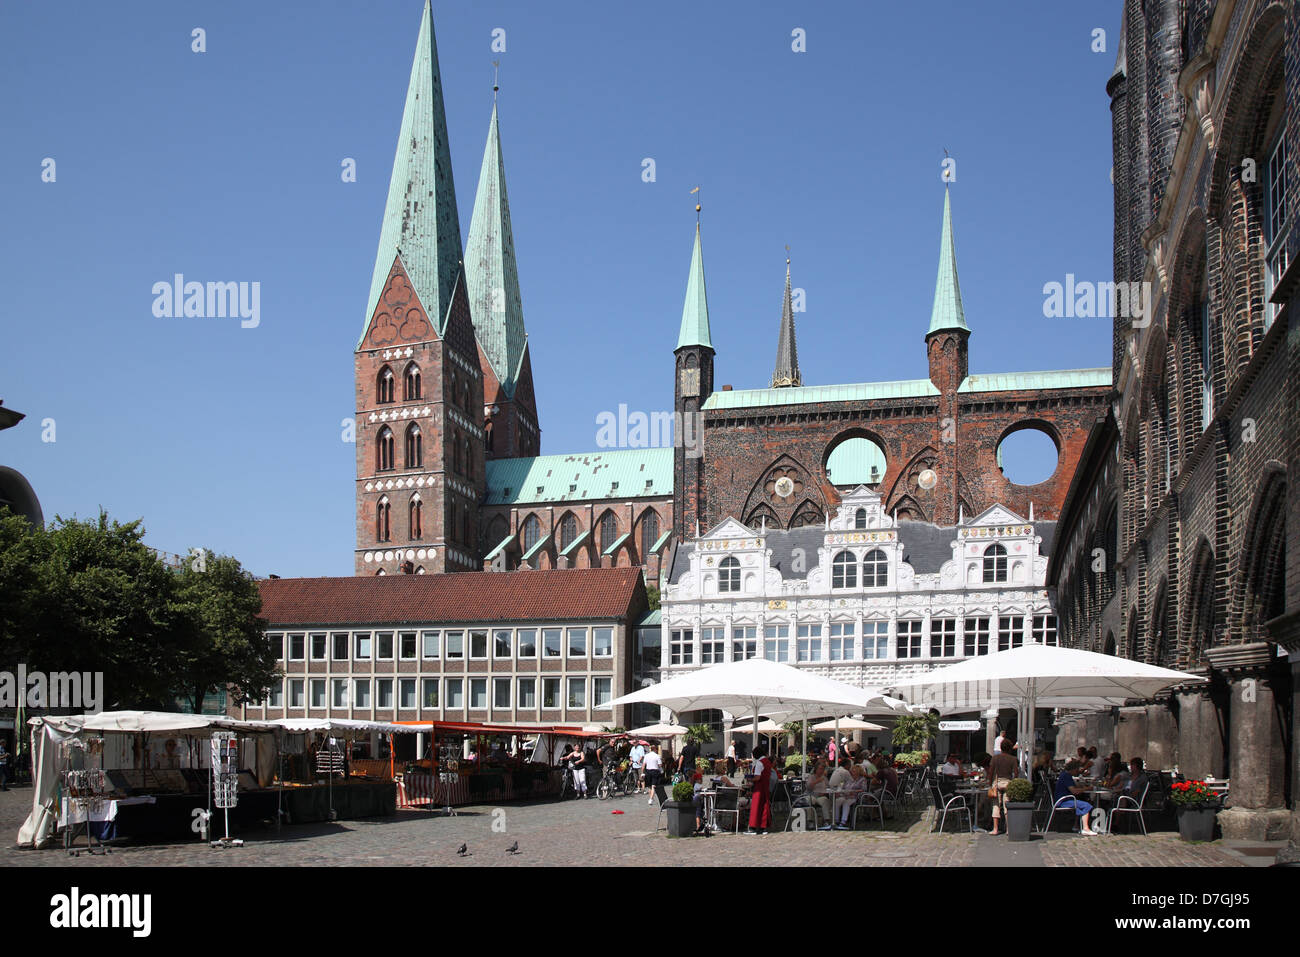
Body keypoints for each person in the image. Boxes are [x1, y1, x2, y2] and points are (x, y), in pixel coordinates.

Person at [1053, 760, 1098, 835]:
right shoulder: (1066, 776)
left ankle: (1076, 825)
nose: (1078, 772)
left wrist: (1082, 787)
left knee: (1080, 803)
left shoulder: (1065, 775)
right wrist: (1087, 788)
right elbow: (1074, 791)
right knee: (1086, 805)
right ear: (1073, 769)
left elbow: (1074, 786)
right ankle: (1086, 828)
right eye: (1077, 770)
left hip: (1062, 799)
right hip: (1063, 801)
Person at [987, 739, 1020, 835]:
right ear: (1010, 748)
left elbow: (991, 771)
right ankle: (1008, 829)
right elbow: (1016, 772)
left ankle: (995, 829)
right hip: (1008, 782)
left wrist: (990, 783)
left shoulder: (995, 758)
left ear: (1001, 748)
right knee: (1007, 806)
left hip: (997, 782)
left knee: (996, 805)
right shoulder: (1013, 759)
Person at [746, 745, 778, 835]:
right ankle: (763, 827)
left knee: (756, 807)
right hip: (766, 787)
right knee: (764, 807)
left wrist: (750, 779)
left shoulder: (760, 763)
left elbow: (757, 777)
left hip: (759, 787)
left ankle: (753, 826)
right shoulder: (767, 762)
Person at [834, 763, 868, 829]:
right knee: (837, 801)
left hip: (855, 796)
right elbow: (843, 787)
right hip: (845, 795)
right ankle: (836, 820)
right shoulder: (848, 779)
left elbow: (864, 789)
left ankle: (843, 821)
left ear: (859, 772)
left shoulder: (862, 779)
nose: (852, 772)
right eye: (852, 770)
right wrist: (840, 792)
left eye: (854, 771)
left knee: (846, 803)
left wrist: (854, 792)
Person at [804, 759, 831, 825]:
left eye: (822, 769)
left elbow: (828, 788)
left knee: (825, 800)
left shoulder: (824, 778)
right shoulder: (811, 777)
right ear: (816, 769)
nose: (821, 771)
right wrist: (817, 781)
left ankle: (826, 820)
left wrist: (824, 793)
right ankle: (810, 821)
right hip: (810, 795)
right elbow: (808, 787)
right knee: (811, 800)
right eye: (820, 769)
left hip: (820, 796)